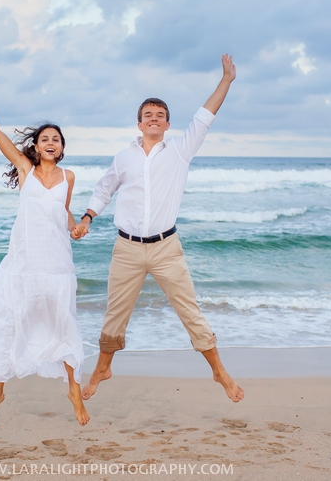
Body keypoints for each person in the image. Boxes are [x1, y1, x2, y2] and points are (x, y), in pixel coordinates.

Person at [72, 54, 245, 403]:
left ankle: (219, 371)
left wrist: (225, 81)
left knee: (189, 309)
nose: (154, 119)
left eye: (160, 116)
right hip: (127, 248)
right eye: (148, 115)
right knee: (115, 313)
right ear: (139, 124)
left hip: (166, 247)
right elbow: (104, 188)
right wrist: (88, 217)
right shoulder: (124, 157)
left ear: (167, 125)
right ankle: (102, 368)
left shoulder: (180, 151)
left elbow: (204, 117)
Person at [0, 72, 89, 427]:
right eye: (45, 138)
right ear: (35, 146)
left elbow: (63, 213)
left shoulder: (69, 177)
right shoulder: (25, 170)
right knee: (9, 322)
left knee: (64, 325)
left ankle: (74, 392)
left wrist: (76, 227)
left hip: (58, 264)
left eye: (57, 139)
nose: (51, 142)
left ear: (62, 148)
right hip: (24, 263)